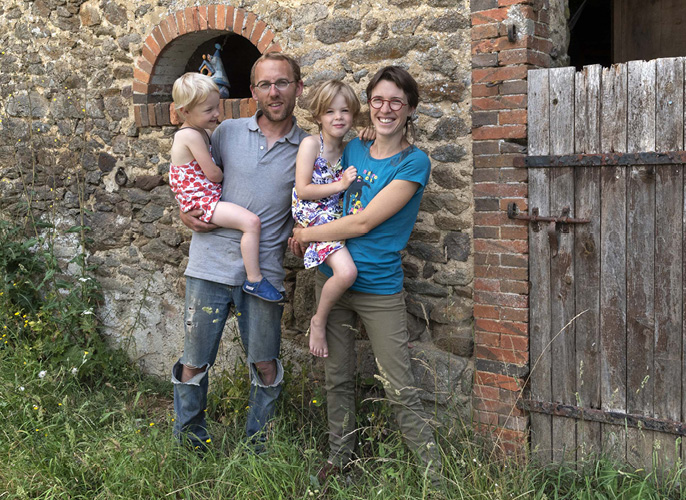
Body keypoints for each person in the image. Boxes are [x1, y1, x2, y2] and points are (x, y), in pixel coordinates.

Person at [291, 66, 442, 481]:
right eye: (378, 100)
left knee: (400, 388)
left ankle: (436, 479)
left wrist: (305, 233)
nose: (385, 109)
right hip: (333, 279)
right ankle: (341, 462)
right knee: (336, 379)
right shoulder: (354, 148)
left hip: (378, 287)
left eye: (396, 101)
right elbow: (315, 166)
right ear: (368, 105)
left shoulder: (414, 162)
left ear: (410, 108)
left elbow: (361, 224)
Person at [172, 53, 307, 452]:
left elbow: (340, 161)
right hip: (208, 267)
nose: (274, 91)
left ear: (298, 88)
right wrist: (185, 212)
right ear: (253, 92)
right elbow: (191, 176)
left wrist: (368, 134)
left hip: (261, 275)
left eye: (282, 82)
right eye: (265, 84)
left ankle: (259, 445)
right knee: (195, 360)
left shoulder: (307, 147)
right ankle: (190, 443)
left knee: (265, 363)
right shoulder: (225, 130)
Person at [169, 72, 282, 303]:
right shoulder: (190, 135)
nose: (216, 114)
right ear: (185, 112)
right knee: (251, 223)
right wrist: (224, 172)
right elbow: (213, 173)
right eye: (208, 110)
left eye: (216, 107)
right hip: (203, 202)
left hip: (204, 199)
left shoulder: (200, 131)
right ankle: (255, 279)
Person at [291, 80, 360, 358]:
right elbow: (303, 189)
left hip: (333, 215)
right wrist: (340, 185)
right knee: (347, 272)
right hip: (313, 217)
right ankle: (318, 320)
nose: (338, 117)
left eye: (345, 111)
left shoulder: (349, 149)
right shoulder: (311, 145)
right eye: (330, 112)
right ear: (318, 116)